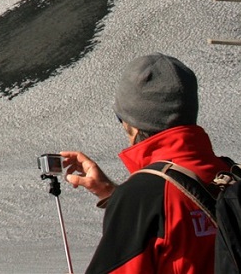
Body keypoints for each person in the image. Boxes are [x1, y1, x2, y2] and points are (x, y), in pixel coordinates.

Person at [61, 53, 230, 274]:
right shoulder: (230, 176)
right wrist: (112, 194)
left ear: (131, 123)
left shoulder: (144, 197)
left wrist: (129, 202)